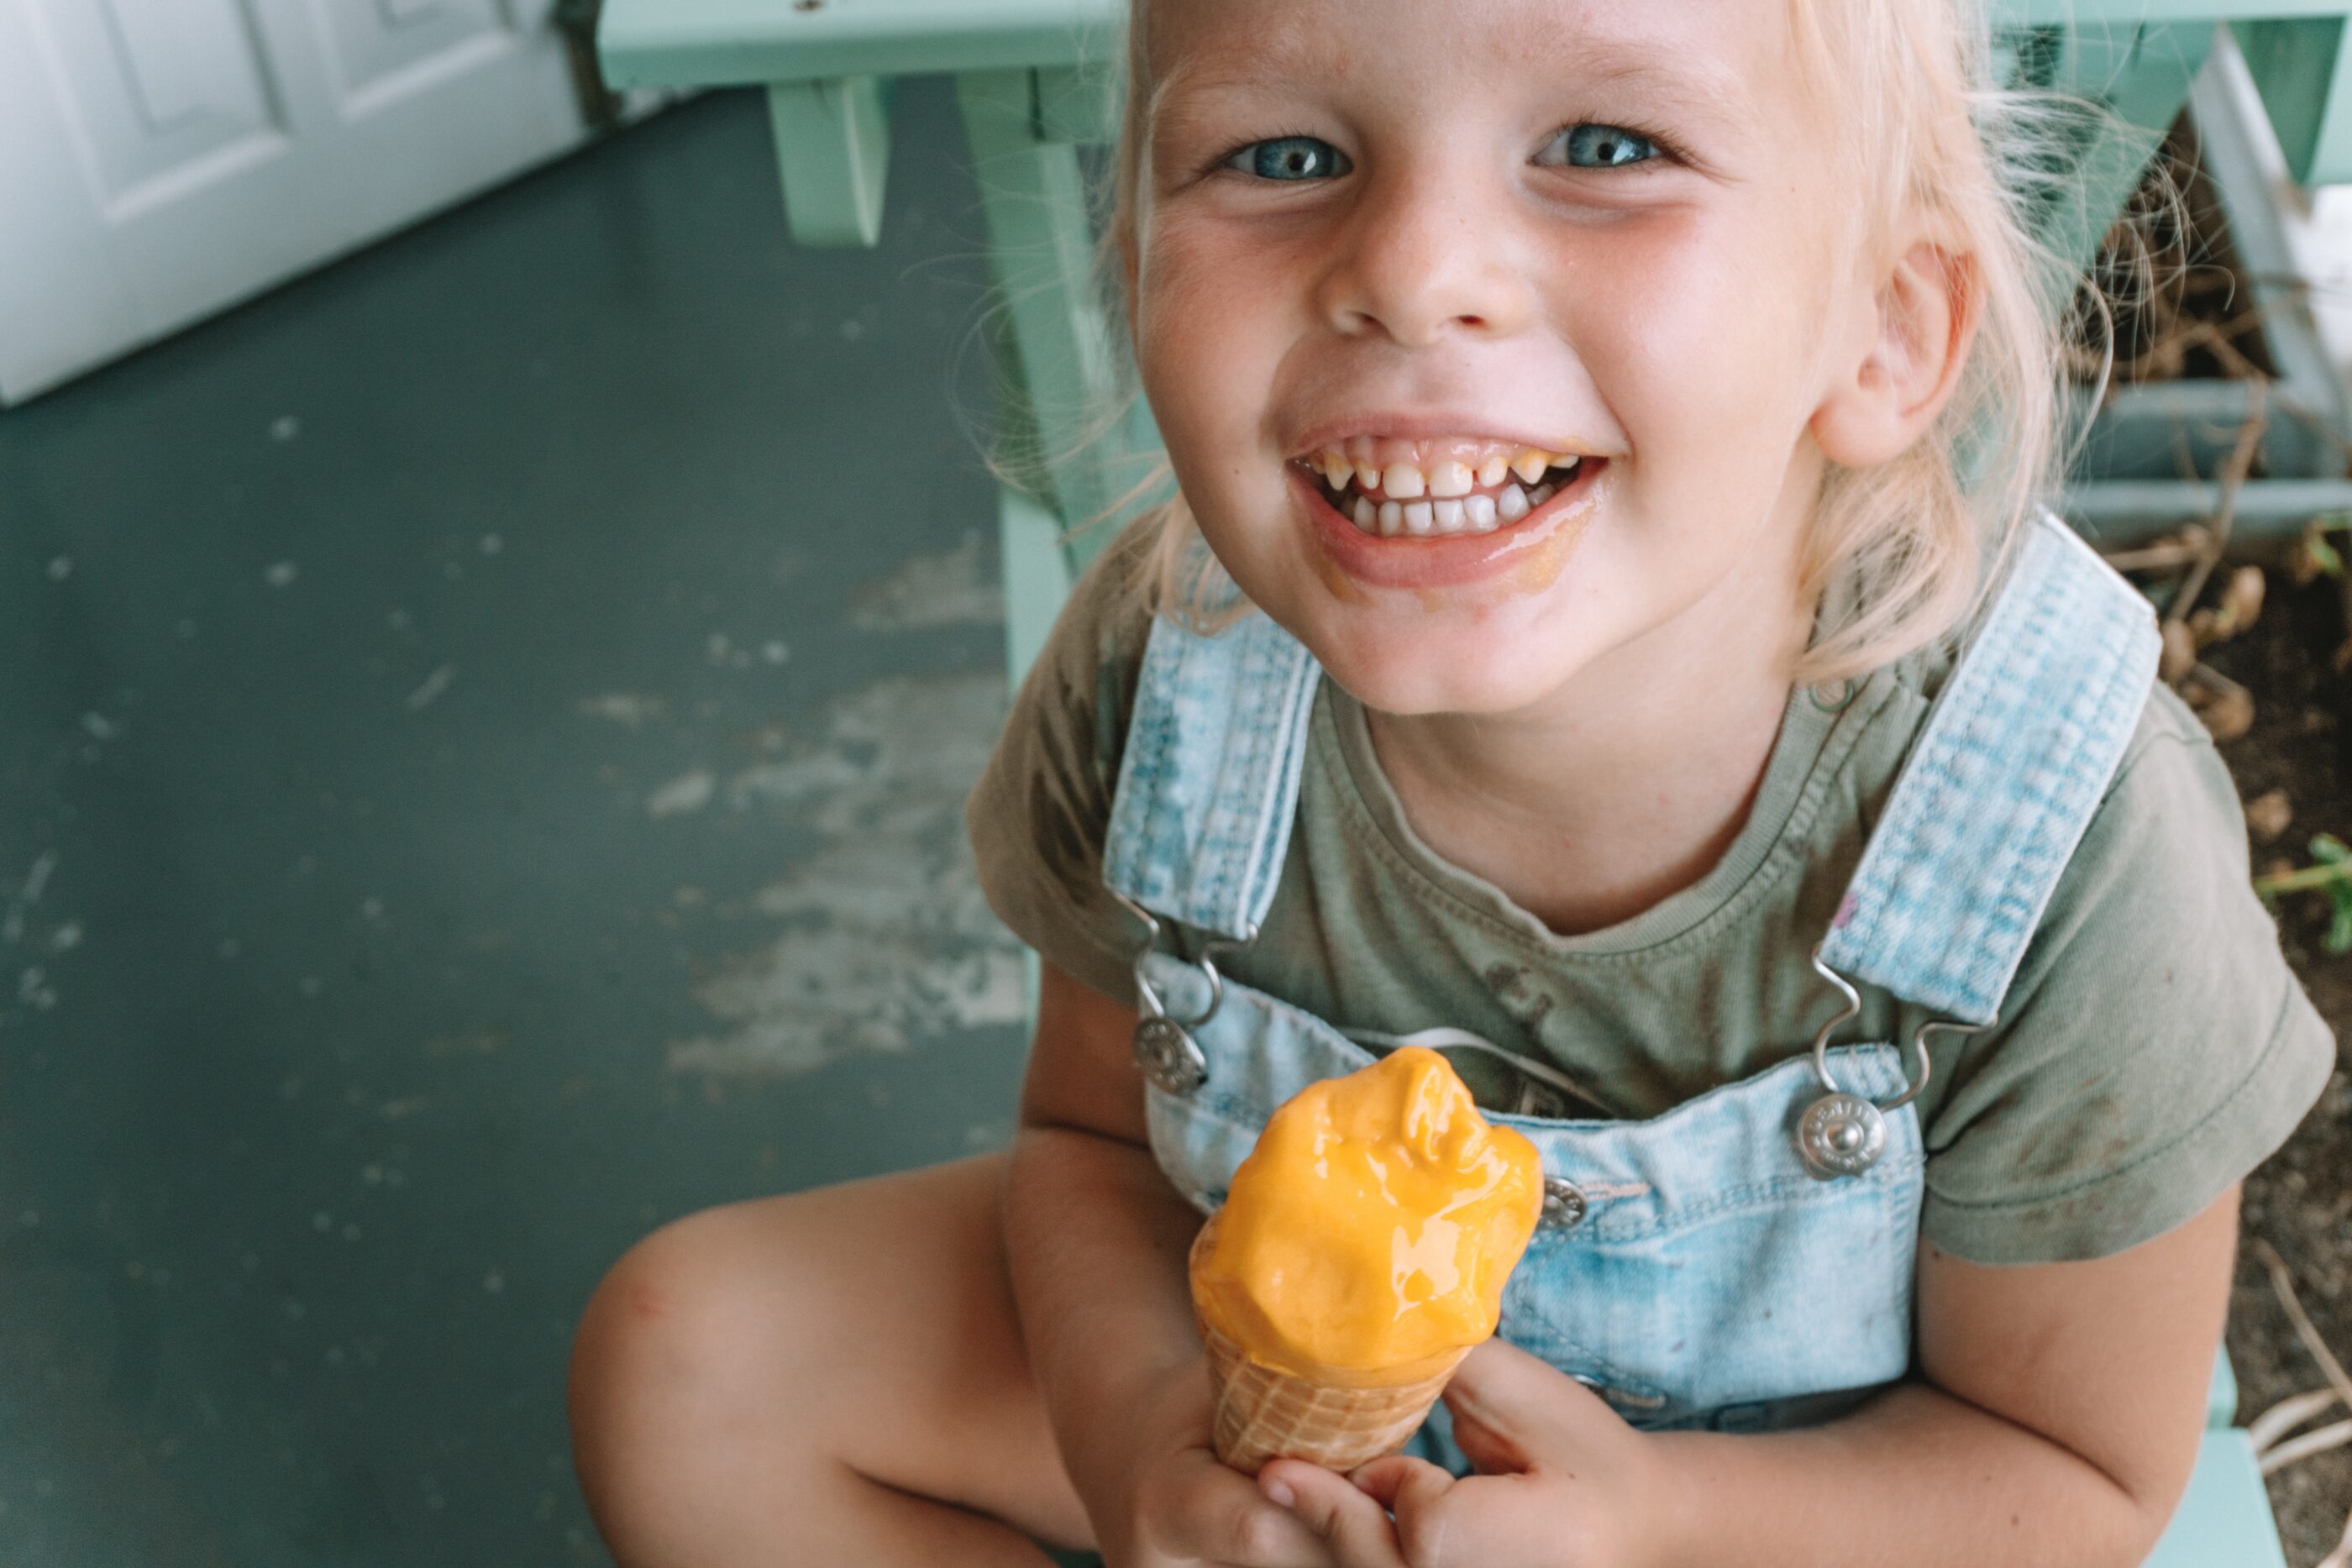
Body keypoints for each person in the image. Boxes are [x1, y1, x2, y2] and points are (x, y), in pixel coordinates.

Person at [566, 0, 2339, 1562]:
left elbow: (2062, 1476)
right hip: (1261, 1425)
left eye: (1602, 145)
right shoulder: (1165, 675)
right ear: (1130, 270)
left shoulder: (2062, 839)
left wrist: (1651, 1532)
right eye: (1279, 151)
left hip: (1790, 1521)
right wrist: (1137, 1458)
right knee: (692, 1361)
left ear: (1882, 322)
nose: (1408, 268)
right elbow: (1094, 1145)